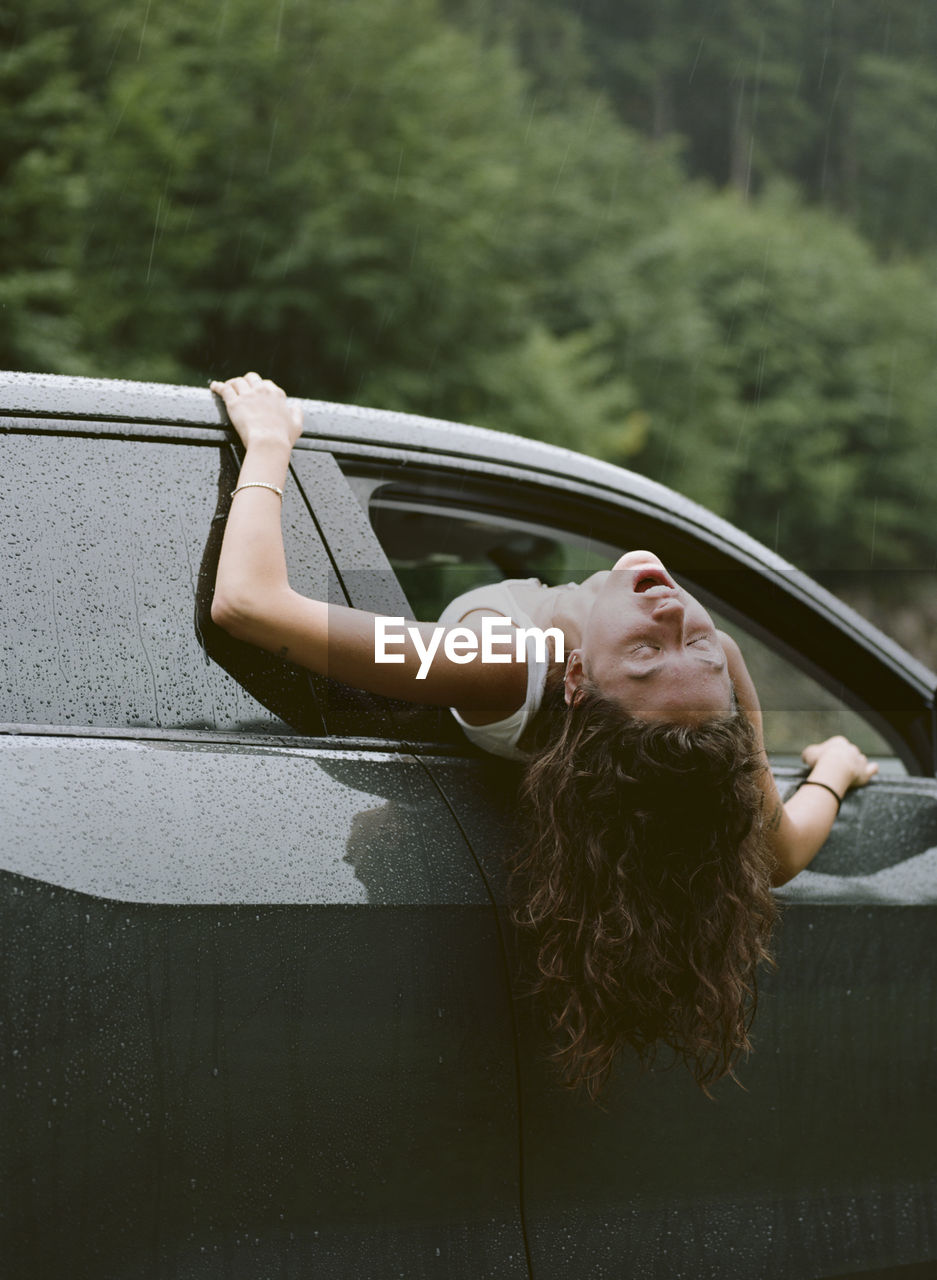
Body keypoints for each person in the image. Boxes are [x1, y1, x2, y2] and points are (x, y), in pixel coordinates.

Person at [209, 372, 878, 1097]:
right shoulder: (707, 678)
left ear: (575, 679)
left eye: (647, 655)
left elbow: (247, 605)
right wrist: (832, 769)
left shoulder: (499, 662)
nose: (676, 619)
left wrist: (270, 442)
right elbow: (776, 852)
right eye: (695, 647)